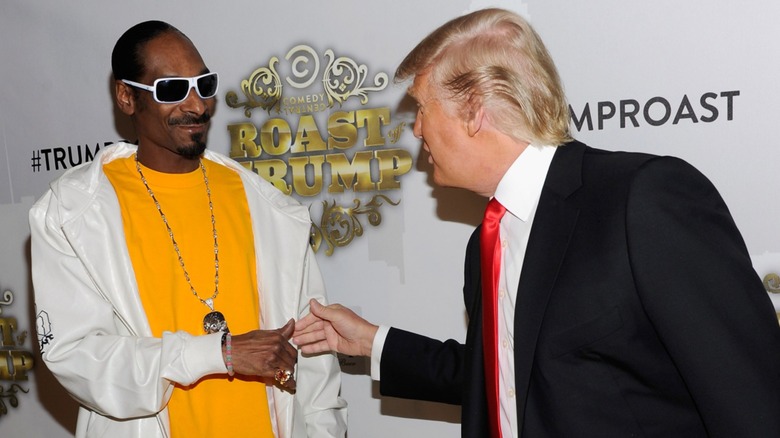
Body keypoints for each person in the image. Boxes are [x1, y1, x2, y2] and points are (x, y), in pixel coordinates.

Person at [293, 8, 780, 438]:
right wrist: (372, 341)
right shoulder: (486, 240)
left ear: (475, 110)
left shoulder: (642, 198)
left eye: (422, 108)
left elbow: (749, 395)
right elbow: (513, 378)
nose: (416, 128)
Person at [29, 21, 346, 438]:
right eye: (172, 90)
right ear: (127, 97)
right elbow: (80, 358)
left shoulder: (266, 205)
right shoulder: (73, 214)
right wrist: (219, 354)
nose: (197, 105)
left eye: (204, 84)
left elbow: (313, 355)